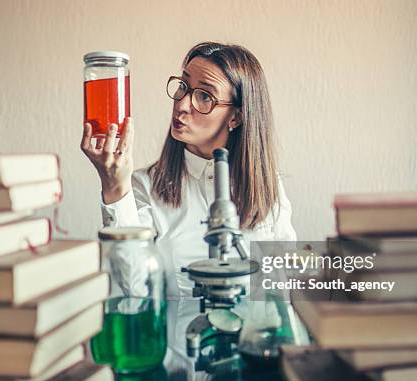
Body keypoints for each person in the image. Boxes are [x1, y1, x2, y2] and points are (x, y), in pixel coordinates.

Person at [81, 42, 296, 299]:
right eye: (183, 87)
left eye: (205, 96)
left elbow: (281, 288)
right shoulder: (142, 187)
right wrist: (115, 188)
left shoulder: (267, 188)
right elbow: (132, 289)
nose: (182, 105)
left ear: (235, 117)